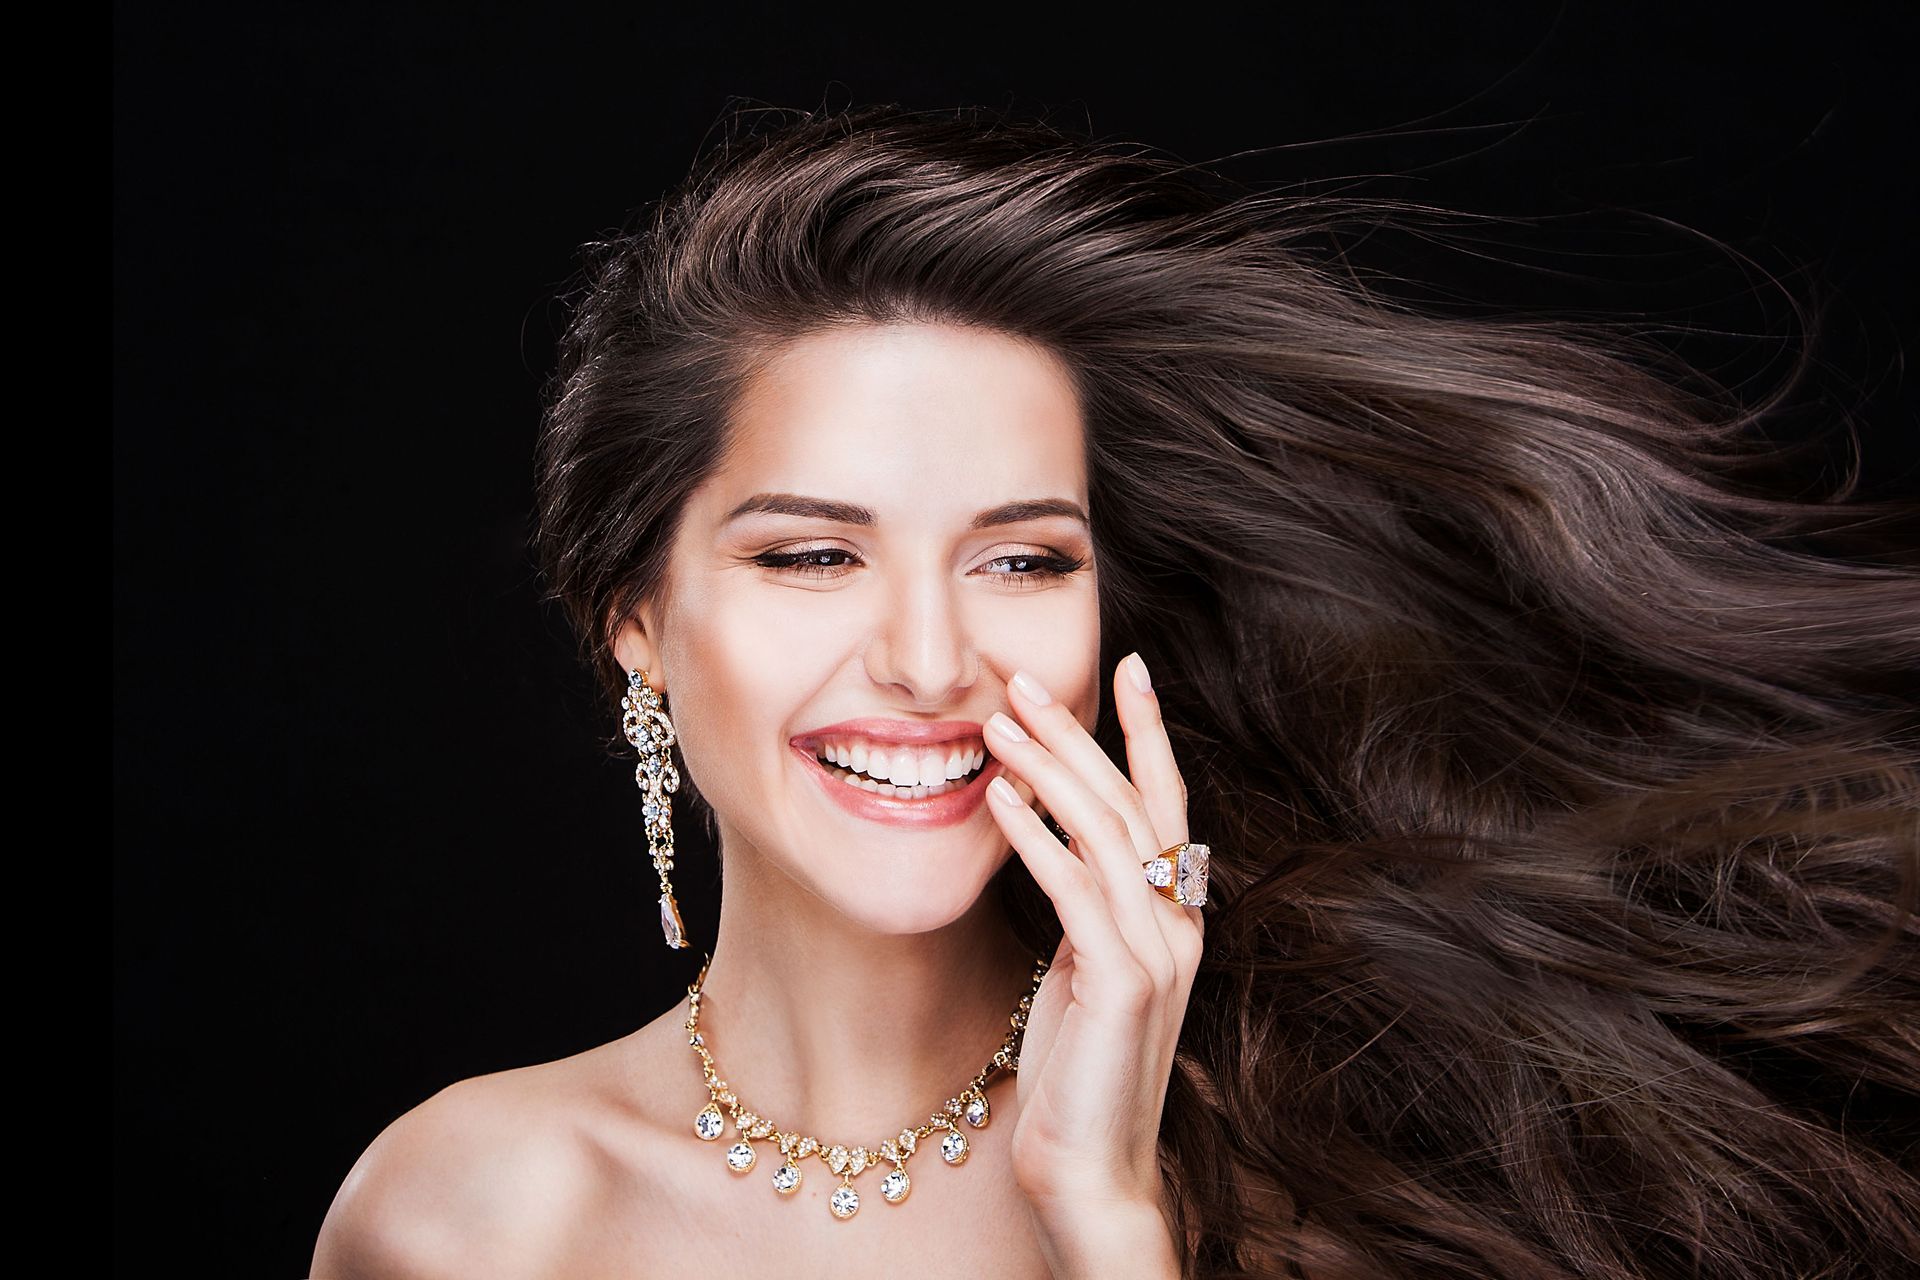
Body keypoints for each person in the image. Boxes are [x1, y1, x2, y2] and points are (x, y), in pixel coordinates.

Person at [311, 103, 1919, 1279]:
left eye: (1023, 563)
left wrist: (1105, 1218)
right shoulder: (470, 1212)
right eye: (812, 557)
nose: (933, 662)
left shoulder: (1316, 1202)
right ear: (636, 624)